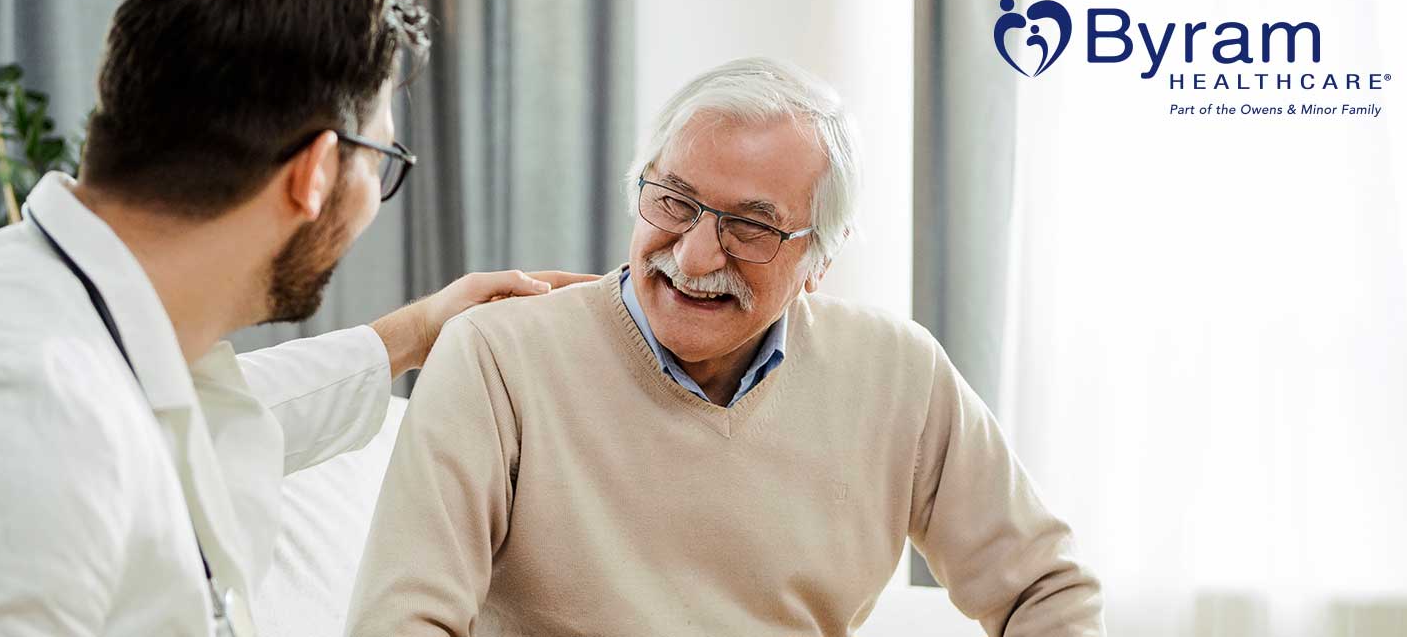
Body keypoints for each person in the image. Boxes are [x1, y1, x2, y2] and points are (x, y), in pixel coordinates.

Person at [0, 0, 591, 634]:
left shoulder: (42, 304)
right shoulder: (21, 412)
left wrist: (414, 333)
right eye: (383, 163)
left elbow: (195, 412)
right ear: (313, 174)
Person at [346, 57, 1105, 636]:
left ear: (819, 260)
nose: (697, 256)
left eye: (750, 227)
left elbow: (1047, 591)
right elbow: (402, 622)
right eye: (673, 201)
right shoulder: (495, 358)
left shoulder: (897, 372)